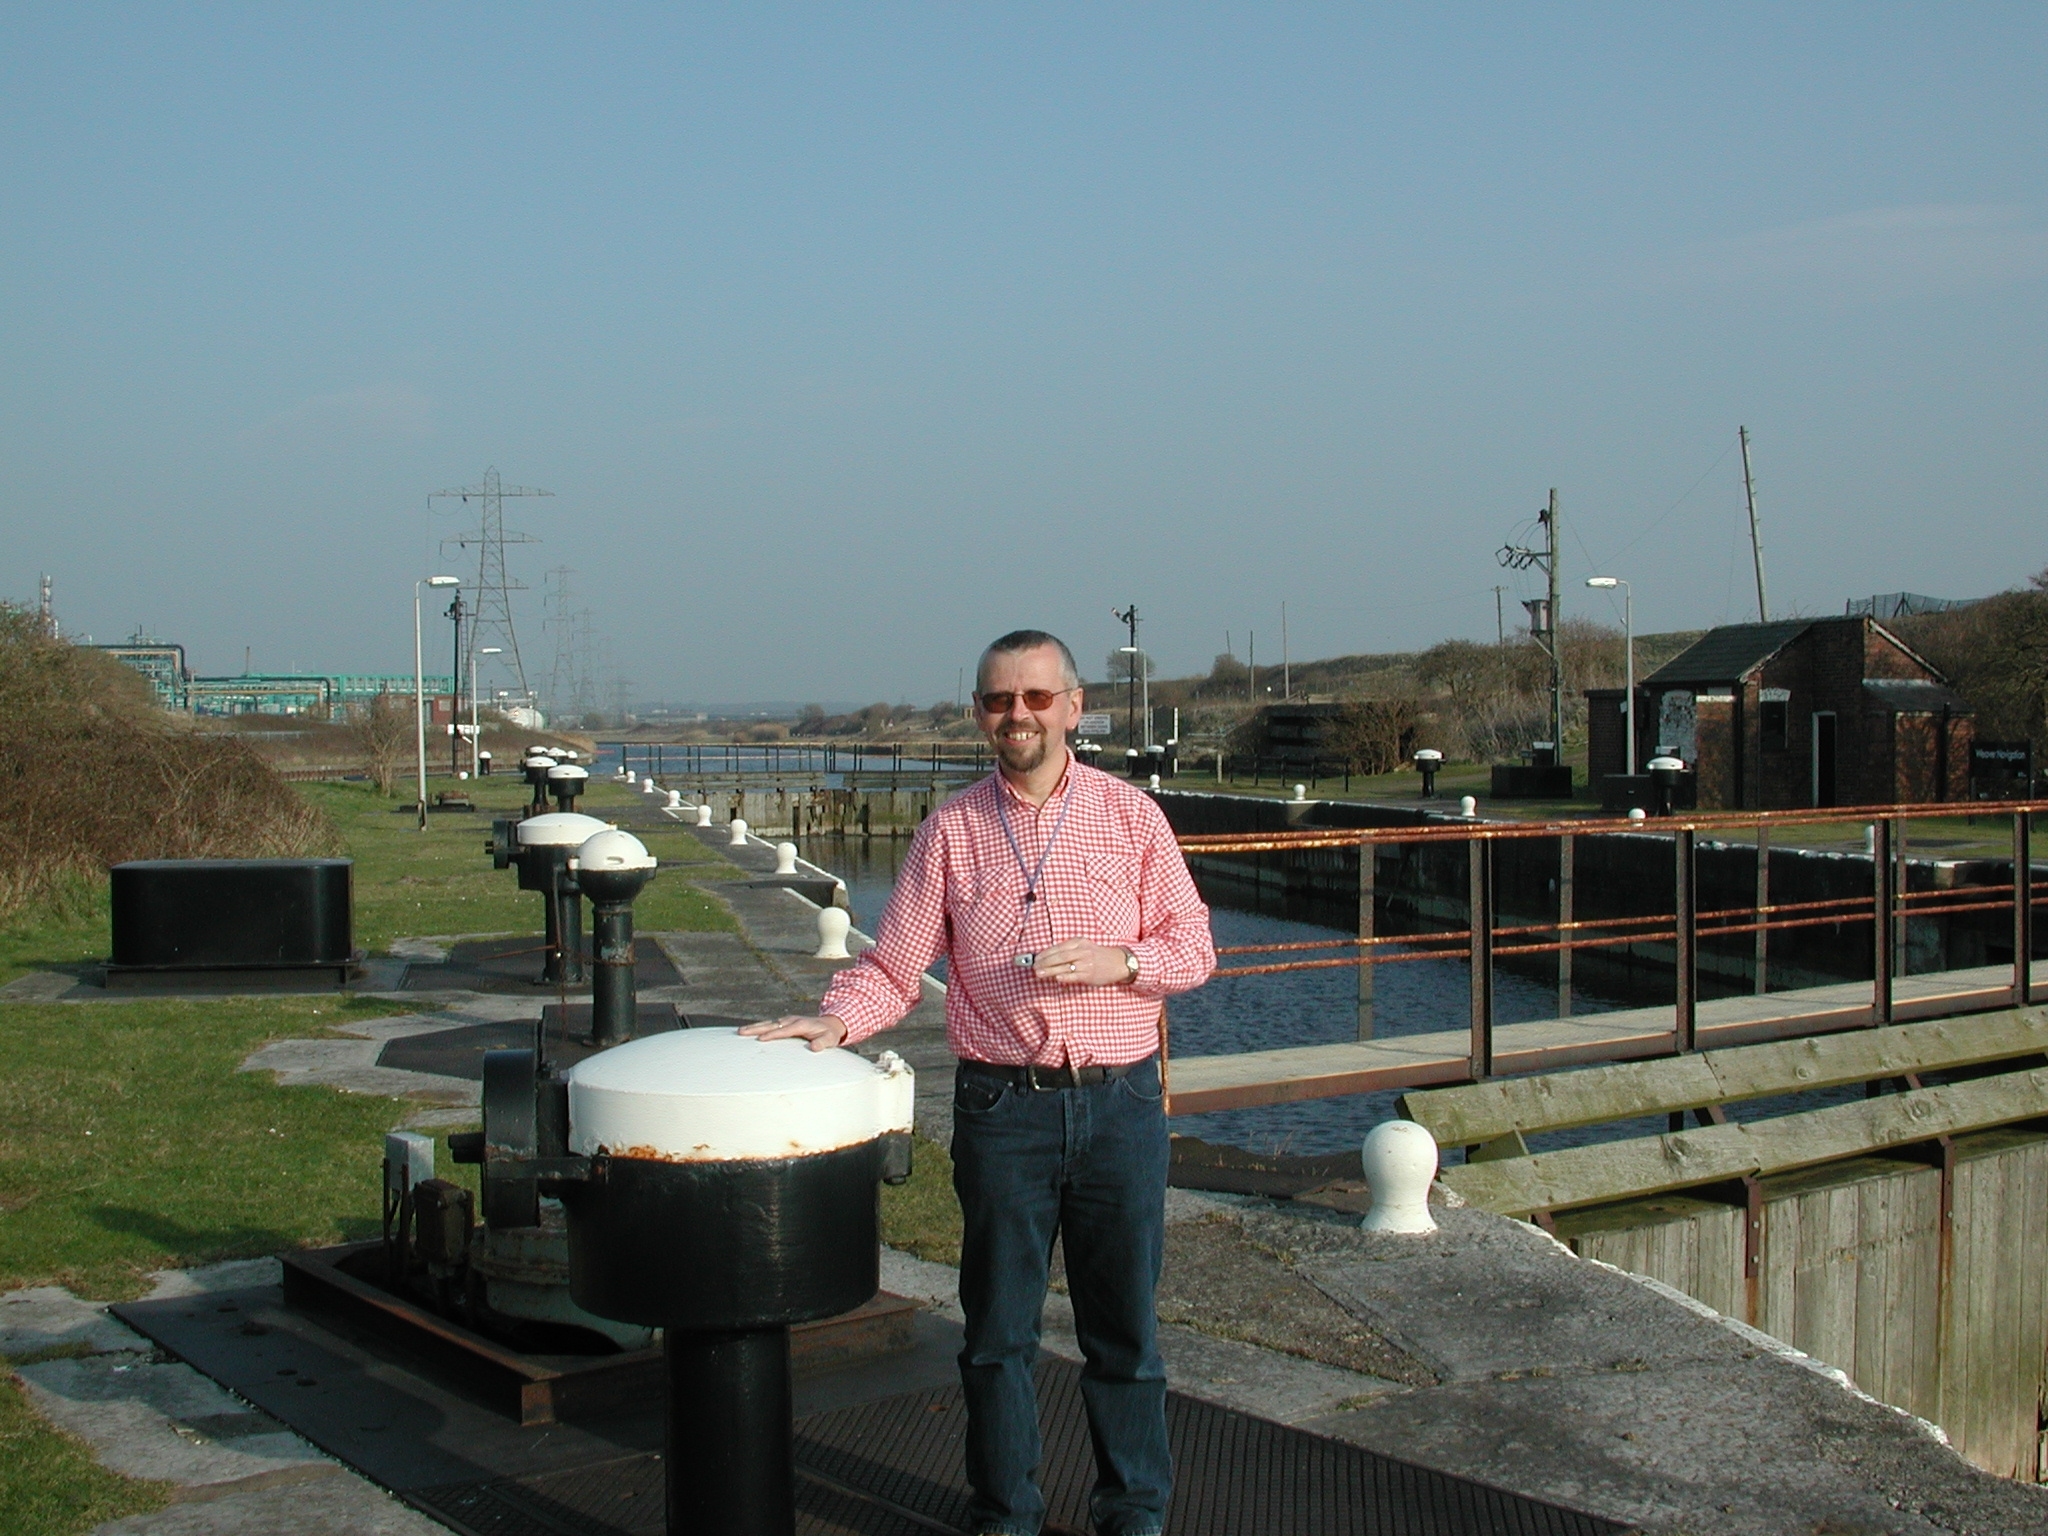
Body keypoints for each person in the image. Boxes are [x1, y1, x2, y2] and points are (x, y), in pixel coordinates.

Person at [743, 628, 1216, 1536]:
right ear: (978, 713)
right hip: (1003, 1109)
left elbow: (1193, 947)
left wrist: (1121, 961)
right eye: (1000, 700)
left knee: (1125, 1334)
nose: (1018, 715)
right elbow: (895, 966)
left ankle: (1135, 1514)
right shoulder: (950, 832)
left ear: (1074, 708)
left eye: (1036, 698)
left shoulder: (1132, 818)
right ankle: (1006, 1516)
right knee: (997, 1337)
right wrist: (834, 1019)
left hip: (1119, 1103)